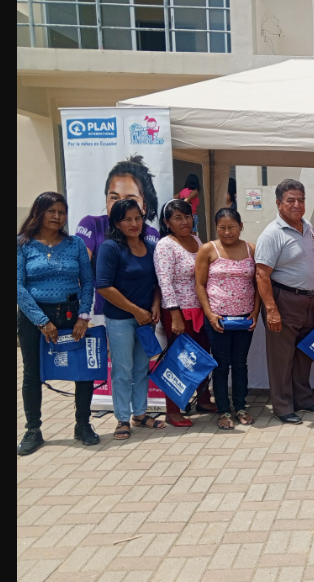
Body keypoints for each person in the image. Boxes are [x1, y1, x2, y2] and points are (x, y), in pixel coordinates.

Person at [17, 192, 99, 455]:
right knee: (32, 373)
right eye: (51, 211)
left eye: (61, 212)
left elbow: (87, 282)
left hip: (70, 315)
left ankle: (83, 425)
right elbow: (17, 286)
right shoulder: (22, 244)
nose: (57, 216)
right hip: (33, 317)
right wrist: (41, 321)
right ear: (38, 212)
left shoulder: (75, 244)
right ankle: (33, 430)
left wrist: (83, 316)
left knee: (82, 371)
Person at [256, 179, 314, 425]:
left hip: (309, 301)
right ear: (279, 203)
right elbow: (261, 274)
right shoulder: (272, 234)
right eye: (291, 200)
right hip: (283, 300)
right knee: (281, 357)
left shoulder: (308, 227)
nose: (297, 204)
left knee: (304, 354)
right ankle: (283, 406)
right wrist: (271, 309)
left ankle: (303, 399)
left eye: (301, 200)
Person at [96, 199, 164, 440]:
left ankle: (141, 414)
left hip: (146, 320)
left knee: (141, 367)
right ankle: (122, 418)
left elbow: (157, 283)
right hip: (120, 320)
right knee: (123, 369)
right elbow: (104, 286)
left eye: (138, 218)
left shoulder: (151, 247)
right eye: (127, 219)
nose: (134, 223)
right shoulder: (111, 248)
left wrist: (154, 306)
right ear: (117, 223)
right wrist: (136, 310)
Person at [153, 200, 218, 426]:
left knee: (201, 355)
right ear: (167, 222)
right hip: (177, 312)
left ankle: (203, 399)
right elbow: (165, 282)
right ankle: (173, 411)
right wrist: (175, 315)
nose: (184, 222)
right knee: (179, 360)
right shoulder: (165, 245)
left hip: (200, 309)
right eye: (178, 218)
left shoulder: (196, 241)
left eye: (187, 216)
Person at [196, 208, 260, 430]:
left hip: (244, 318)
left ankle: (240, 406)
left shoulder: (252, 249)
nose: (227, 232)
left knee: (240, 364)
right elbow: (200, 284)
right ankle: (223, 410)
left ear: (241, 226)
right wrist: (209, 314)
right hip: (218, 319)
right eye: (222, 227)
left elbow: (258, 284)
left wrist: (256, 311)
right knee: (221, 365)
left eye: (232, 227)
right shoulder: (207, 249)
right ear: (216, 228)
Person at [76, 156, 160, 316]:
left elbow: (156, 279)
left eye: (130, 199)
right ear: (106, 200)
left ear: (144, 206)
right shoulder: (92, 224)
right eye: (114, 197)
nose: (121, 205)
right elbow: (81, 270)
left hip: (145, 314)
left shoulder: (150, 235)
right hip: (104, 315)